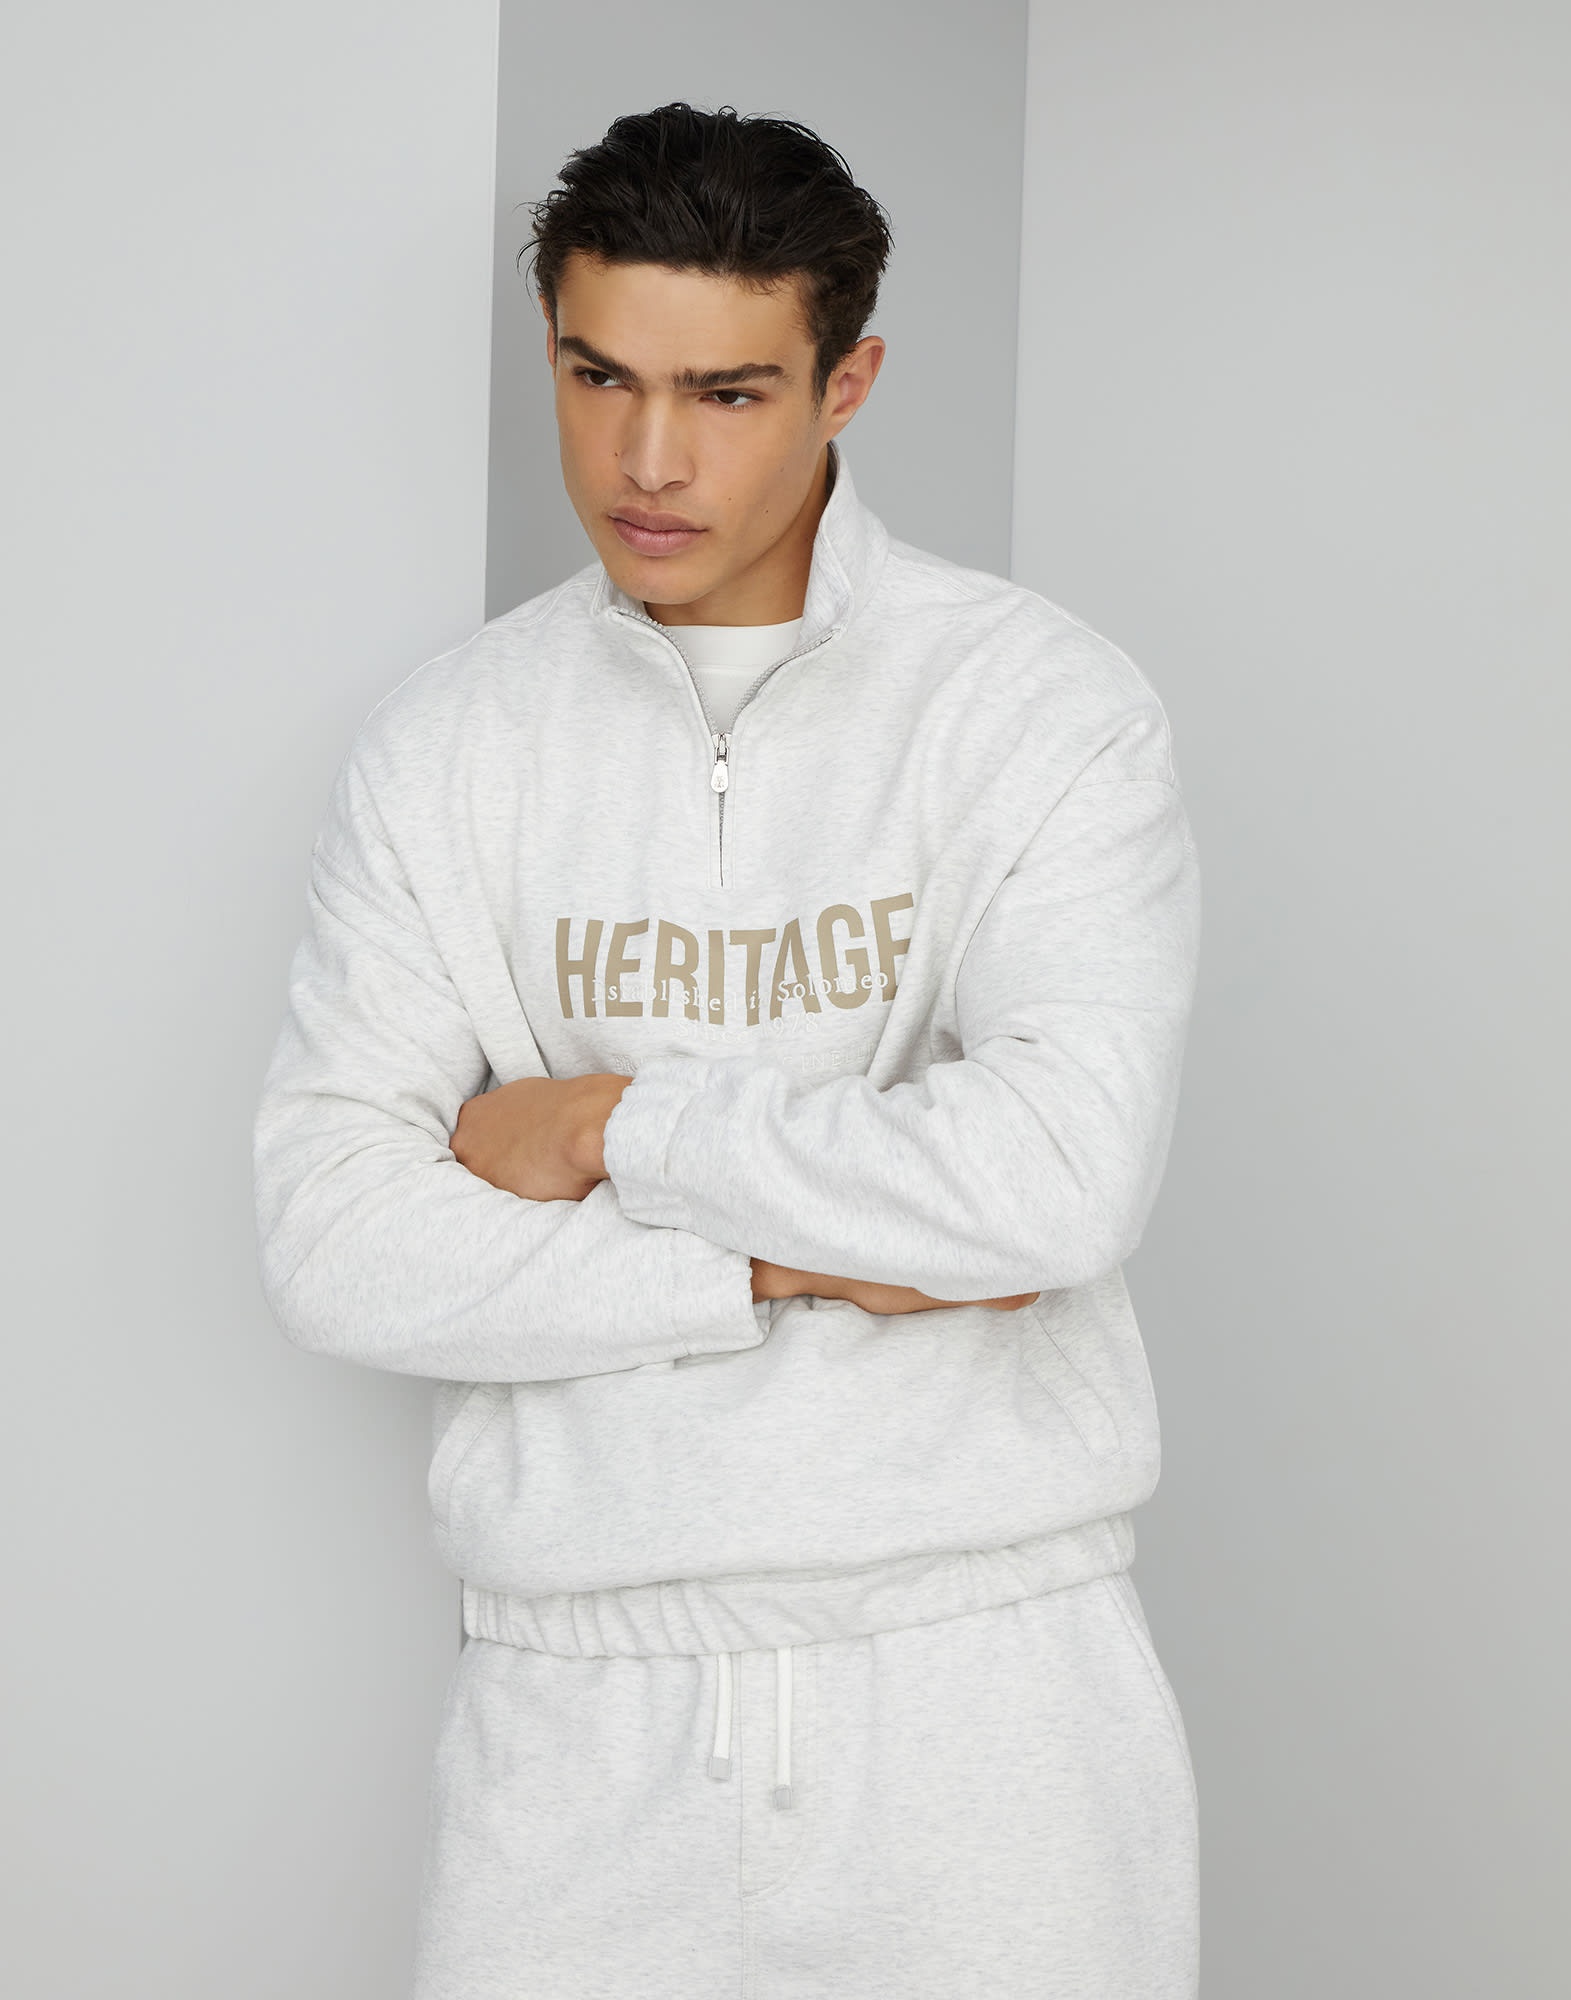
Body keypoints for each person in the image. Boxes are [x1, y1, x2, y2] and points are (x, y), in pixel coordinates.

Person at [252, 100, 1202, 1999]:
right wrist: (787, 1257)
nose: (649, 460)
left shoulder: (1038, 709)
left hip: (983, 1697)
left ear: (848, 383)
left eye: (729, 392)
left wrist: (618, 1126)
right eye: (598, 375)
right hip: (572, 1712)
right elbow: (337, 1240)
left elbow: (1055, 1184)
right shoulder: (449, 746)